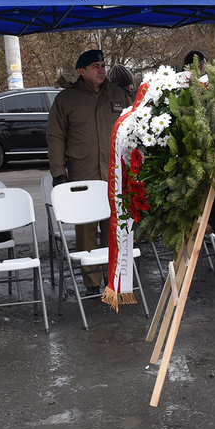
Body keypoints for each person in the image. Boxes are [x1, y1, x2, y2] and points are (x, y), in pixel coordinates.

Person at [46, 49, 130, 296]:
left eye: (103, 65)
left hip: (115, 171)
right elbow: (55, 137)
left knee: (114, 226)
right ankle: (93, 283)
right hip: (83, 171)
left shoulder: (118, 95)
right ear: (82, 72)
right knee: (87, 230)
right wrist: (59, 173)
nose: (102, 69)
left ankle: (113, 277)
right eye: (96, 66)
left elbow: (135, 126)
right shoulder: (66, 99)